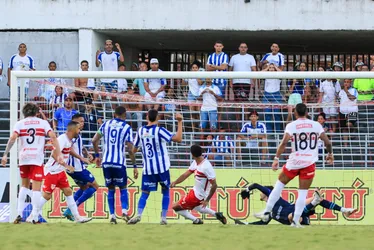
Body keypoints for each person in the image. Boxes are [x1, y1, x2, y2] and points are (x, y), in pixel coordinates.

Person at [259, 103, 333, 228]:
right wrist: (330, 154)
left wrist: (276, 158)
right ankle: (295, 222)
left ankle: (266, 212)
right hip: (309, 163)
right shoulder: (316, 125)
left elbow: (283, 143)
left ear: (295, 113)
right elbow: (327, 141)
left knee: (279, 185)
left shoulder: (292, 125)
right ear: (307, 112)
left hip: (294, 162)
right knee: (302, 193)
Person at [1, 103, 61, 224]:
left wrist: (5, 154)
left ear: (24, 112)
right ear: (37, 112)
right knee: (36, 189)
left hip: (24, 158)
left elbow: (13, 137)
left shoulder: (20, 123)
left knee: (24, 185)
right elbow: (53, 136)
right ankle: (34, 216)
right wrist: (58, 153)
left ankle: (18, 213)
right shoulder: (42, 123)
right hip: (36, 158)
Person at [128, 109, 183, 225]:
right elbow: (178, 139)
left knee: (145, 193)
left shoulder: (140, 131)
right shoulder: (159, 131)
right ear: (157, 118)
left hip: (148, 169)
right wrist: (179, 122)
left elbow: (133, 150)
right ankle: (163, 218)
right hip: (162, 168)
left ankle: (138, 214)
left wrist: (135, 164)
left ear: (147, 117)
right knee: (165, 191)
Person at [36, 121, 92, 224]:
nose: (79, 131)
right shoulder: (62, 139)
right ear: (73, 130)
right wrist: (66, 166)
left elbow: (68, 150)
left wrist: (81, 158)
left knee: (68, 192)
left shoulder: (69, 140)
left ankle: (77, 218)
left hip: (60, 171)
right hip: (52, 171)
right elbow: (53, 154)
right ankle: (32, 215)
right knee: (47, 196)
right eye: (78, 129)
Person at [92, 106, 137, 224]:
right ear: (124, 115)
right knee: (123, 188)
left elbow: (94, 140)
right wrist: (135, 165)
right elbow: (130, 149)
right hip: (119, 163)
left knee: (110, 188)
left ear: (114, 114)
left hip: (106, 162)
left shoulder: (105, 125)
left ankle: (112, 216)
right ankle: (124, 212)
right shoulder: (126, 127)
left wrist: (97, 156)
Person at [237, 183, 356, 226]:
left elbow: (256, 185)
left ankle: (345, 210)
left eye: (262, 192)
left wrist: (247, 190)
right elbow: (262, 223)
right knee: (293, 216)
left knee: (317, 200)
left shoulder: (274, 197)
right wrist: (246, 224)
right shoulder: (269, 211)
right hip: (298, 217)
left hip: (297, 210)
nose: (260, 194)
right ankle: (315, 202)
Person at [170, 145, 227, 225]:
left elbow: (214, 185)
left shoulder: (206, 167)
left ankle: (196, 220)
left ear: (192, 155)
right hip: (195, 191)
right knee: (199, 208)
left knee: (175, 207)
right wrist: (175, 182)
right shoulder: (196, 162)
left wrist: (207, 200)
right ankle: (217, 214)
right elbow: (185, 175)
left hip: (198, 195)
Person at [63, 114, 99, 221]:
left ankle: (68, 210)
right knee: (95, 186)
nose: (83, 124)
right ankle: (71, 209)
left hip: (72, 169)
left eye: (83, 121)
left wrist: (87, 153)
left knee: (84, 188)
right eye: (80, 122)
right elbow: (69, 148)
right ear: (74, 122)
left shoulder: (76, 133)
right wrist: (82, 158)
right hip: (77, 168)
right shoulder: (71, 135)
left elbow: (80, 145)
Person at [262, 63, 283, 133]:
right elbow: (260, 73)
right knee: (267, 114)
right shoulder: (266, 75)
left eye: (272, 68)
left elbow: (282, 73)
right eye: (270, 68)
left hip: (276, 94)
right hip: (266, 95)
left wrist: (276, 67)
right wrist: (267, 67)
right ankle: (269, 132)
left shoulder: (278, 75)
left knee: (277, 114)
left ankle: (278, 132)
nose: (271, 69)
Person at [338, 79, 358, 149]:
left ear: (350, 83)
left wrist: (346, 91)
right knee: (344, 129)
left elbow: (352, 98)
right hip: (343, 111)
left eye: (347, 82)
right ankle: (345, 146)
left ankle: (354, 129)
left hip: (352, 111)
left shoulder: (354, 90)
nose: (346, 84)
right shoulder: (341, 91)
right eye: (345, 82)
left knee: (348, 124)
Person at [182, 63, 203, 130]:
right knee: (192, 112)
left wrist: (196, 76)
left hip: (199, 95)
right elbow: (183, 84)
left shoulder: (201, 75)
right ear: (191, 69)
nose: (194, 69)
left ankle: (200, 128)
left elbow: (200, 83)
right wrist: (184, 77)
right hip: (191, 95)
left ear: (198, 69)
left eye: (196, 67)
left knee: (198, 112)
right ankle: (193, 129)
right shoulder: (189, 75)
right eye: (193, 68)